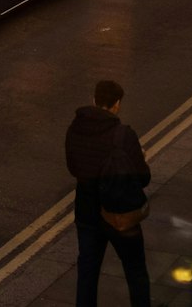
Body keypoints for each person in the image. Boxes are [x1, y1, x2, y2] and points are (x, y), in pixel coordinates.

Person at [65, 79, 151, 307]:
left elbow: (73, 167)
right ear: (117, 104)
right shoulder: (123, 135)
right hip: (119, 212)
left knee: (87, 271)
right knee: (135, 270)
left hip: (87, 212)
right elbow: (143, 178)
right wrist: (140, 159)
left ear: (94, 100)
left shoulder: (75, 128)